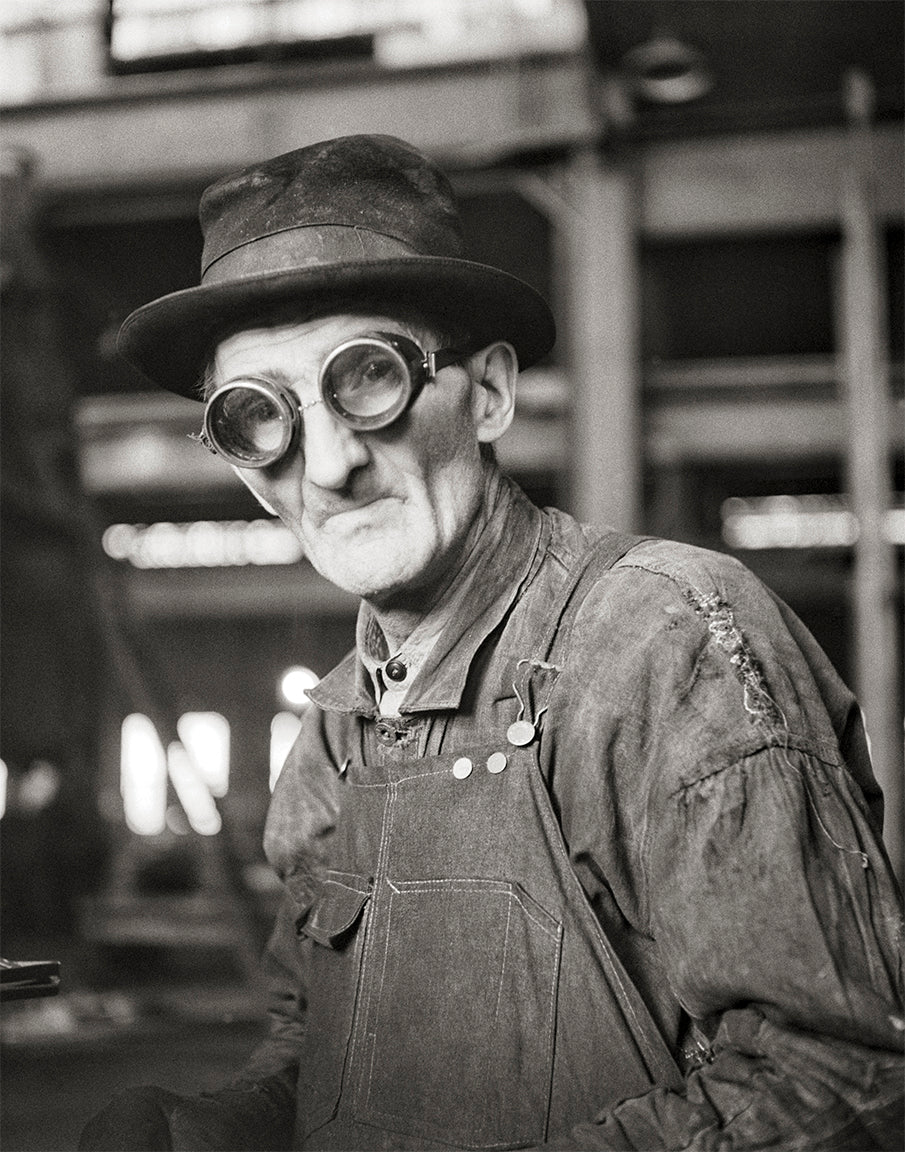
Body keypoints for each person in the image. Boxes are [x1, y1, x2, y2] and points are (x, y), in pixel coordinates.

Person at [80, 134, 903, 1151]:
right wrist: (220, 1126)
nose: (328, 463)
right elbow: (318, 1046)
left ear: (489, 393)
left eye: (366, 376)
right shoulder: (332, 734)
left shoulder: (665, 644)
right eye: (259, 416)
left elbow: (844, 1085)